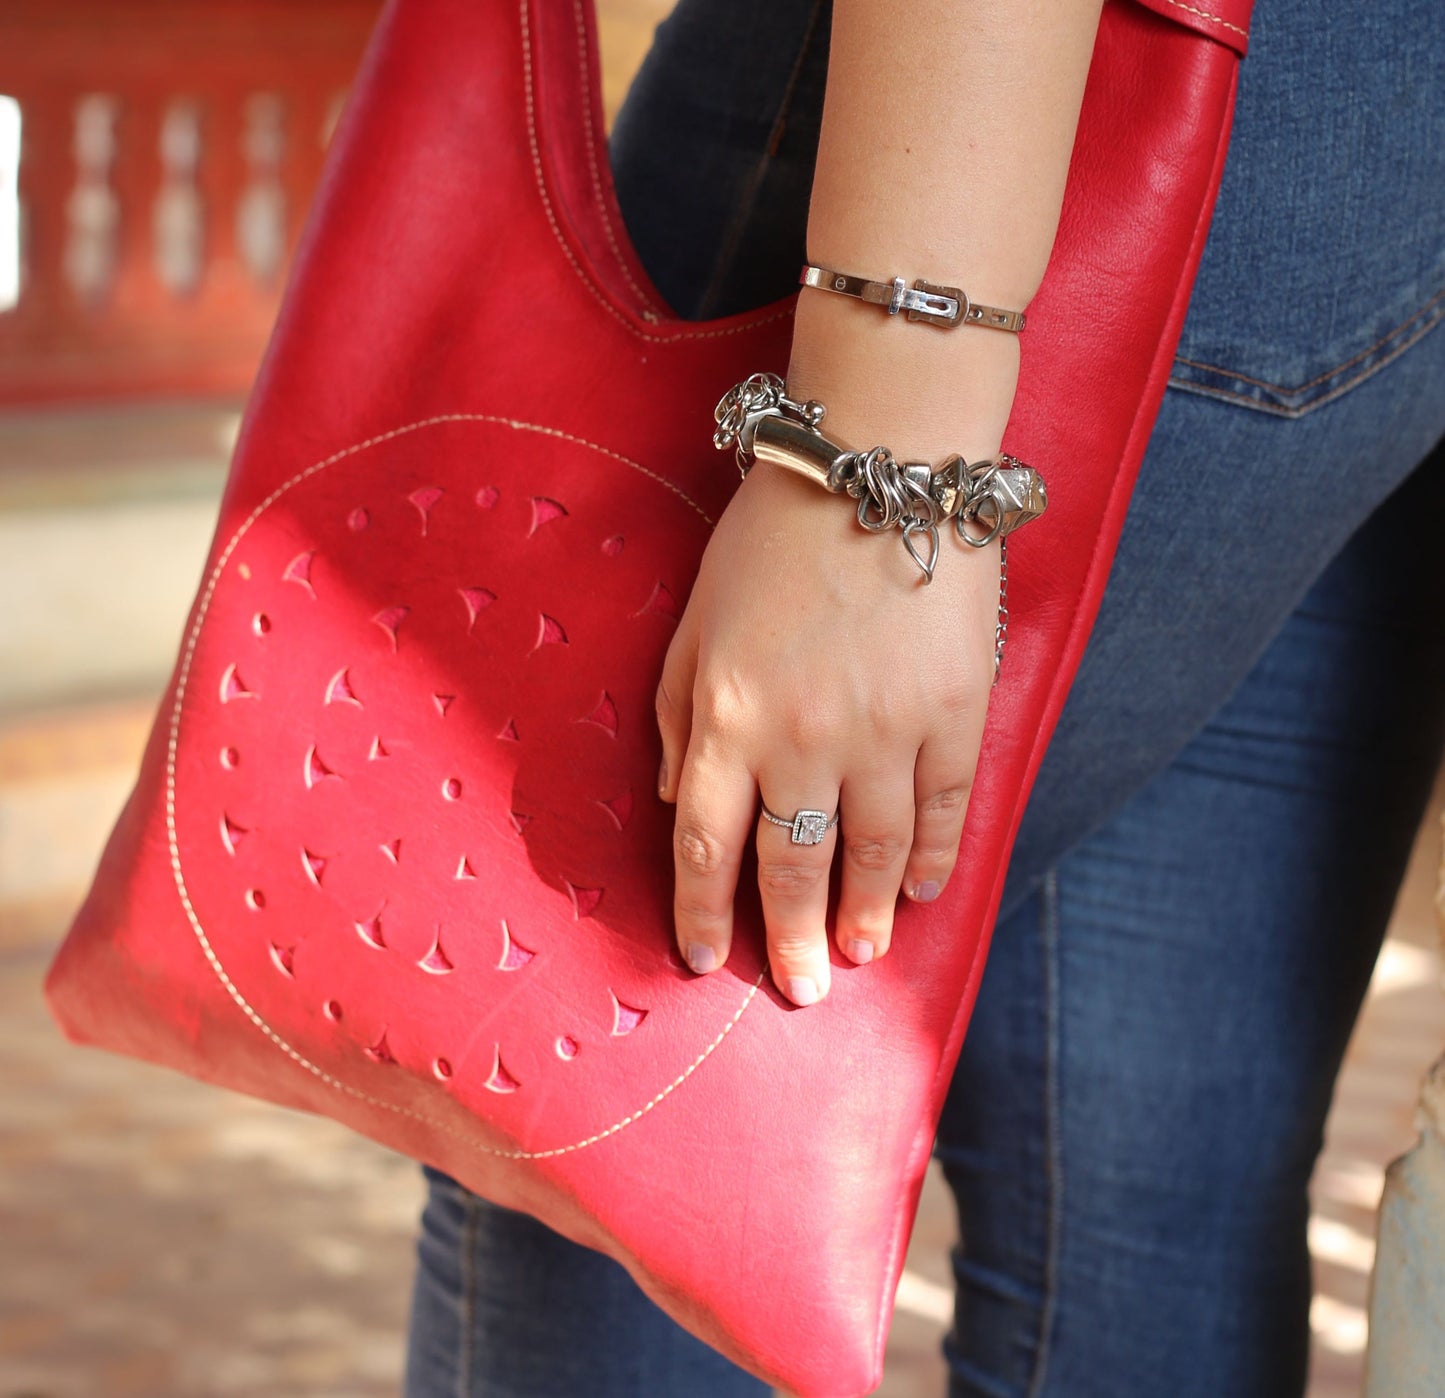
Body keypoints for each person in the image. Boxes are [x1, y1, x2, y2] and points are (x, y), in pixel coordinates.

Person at [403, 0, 1445, 1393]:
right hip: (1379, 161)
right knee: (1138, 1197)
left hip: (999, 122)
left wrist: (876, 440)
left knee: (641, 1115)